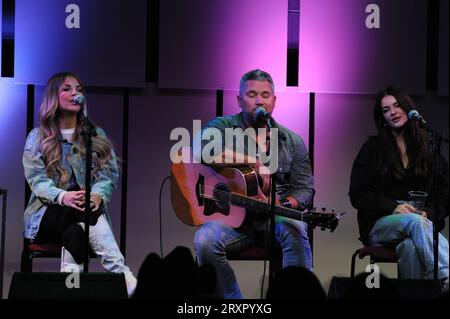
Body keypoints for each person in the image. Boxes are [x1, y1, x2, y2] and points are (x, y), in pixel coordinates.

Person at [193, 69, 315, 298]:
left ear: (274, 101)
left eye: (265, 95)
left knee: (295, 227)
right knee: (205, 239)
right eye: (251, 94)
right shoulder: (222, 127)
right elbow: (201, 150)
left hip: (274, 221)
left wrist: (284, 204)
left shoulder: (292, 141)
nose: (259, 100)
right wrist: (253, 161)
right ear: (239, 100)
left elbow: (304, 188)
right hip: (234, 223)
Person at [23, 72, 137, 296]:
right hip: (47, 215)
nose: (75, 93)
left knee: (76, 233)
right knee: (79, 208)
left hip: (81, 218)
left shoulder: (94, 135)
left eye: (79, 89)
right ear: (53, 97)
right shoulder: (37, 137)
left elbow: (108, 173)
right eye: (67, 89)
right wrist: (64, 197)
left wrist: (96, 196)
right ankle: (122, 274)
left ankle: (71, 294)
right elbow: (36, 180)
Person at [349, 86, 449, 289]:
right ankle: (446, 277)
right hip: (380, 225)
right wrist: (393, 207)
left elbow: (446, 194)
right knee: (413, 222)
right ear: (382, 118)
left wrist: (427, 212)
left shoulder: (427, 150)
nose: (393, 112)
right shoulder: (372, 150)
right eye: (386, 110)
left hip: (419, 225)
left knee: (410, 248)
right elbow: (358, 194)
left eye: (396, 106)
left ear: (408, 108)